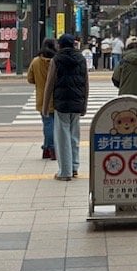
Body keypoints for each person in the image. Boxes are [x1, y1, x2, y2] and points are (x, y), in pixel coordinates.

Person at [42, 34, 88, 181]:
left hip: (61, 103)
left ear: (60, 45)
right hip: (77, 102)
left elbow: (49, 84)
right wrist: (84, 104)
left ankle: (65, 172)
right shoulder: (81, 59)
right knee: (74, 136)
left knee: (63, 137)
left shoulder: (57, 59)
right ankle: (74, 167)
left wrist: (45, 106)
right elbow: (86, 82)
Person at [26, 38, 58, 160]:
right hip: (56, 97)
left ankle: (47, 149)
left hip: (42, 98)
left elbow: (30, 79)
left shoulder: (35, 61)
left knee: (47, 124)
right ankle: (52, 148)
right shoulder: (56, 61)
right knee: (54, 125)